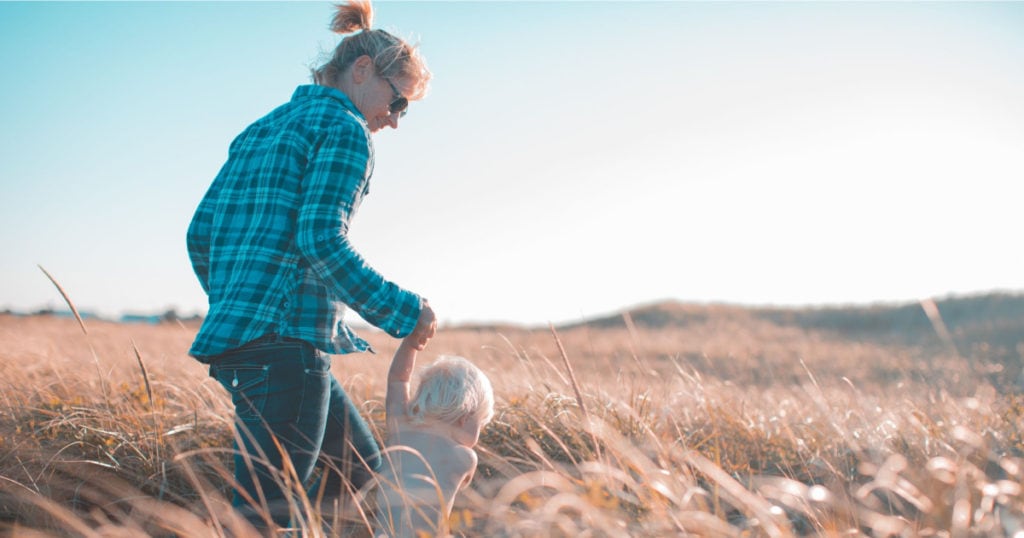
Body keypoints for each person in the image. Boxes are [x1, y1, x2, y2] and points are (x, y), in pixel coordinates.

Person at [185, 0, 435, 528]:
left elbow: (200, 235)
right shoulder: (347, 130)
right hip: (286, 349)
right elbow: (321, 239)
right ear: (363, 71)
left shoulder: (261, 128)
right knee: (265, 518)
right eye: (399, 103)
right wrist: (404, 311)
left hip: (247, 342)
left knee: (363, 477)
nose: (394, 121)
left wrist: (240, 304)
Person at [375, 336, 495, 537]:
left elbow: (398, 379)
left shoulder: (400, 428)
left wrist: (410, 344)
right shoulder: (465, 458)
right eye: (480, 424)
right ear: (465, 418)